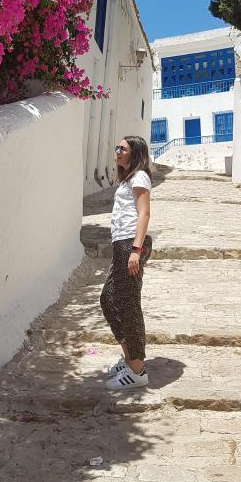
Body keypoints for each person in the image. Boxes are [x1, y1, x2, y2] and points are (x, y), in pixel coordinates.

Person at [100, 135, 152, 391]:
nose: (117, 151)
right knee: (109, 299)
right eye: (117, 147)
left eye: (123, 148)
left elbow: (144, 213)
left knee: (128, 305)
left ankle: (138, 370)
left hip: (131, 243)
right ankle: (129, 357)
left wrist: (136, 250)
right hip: (121, 244)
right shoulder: (127, 179)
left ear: (135, 153)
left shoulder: (139, 176)